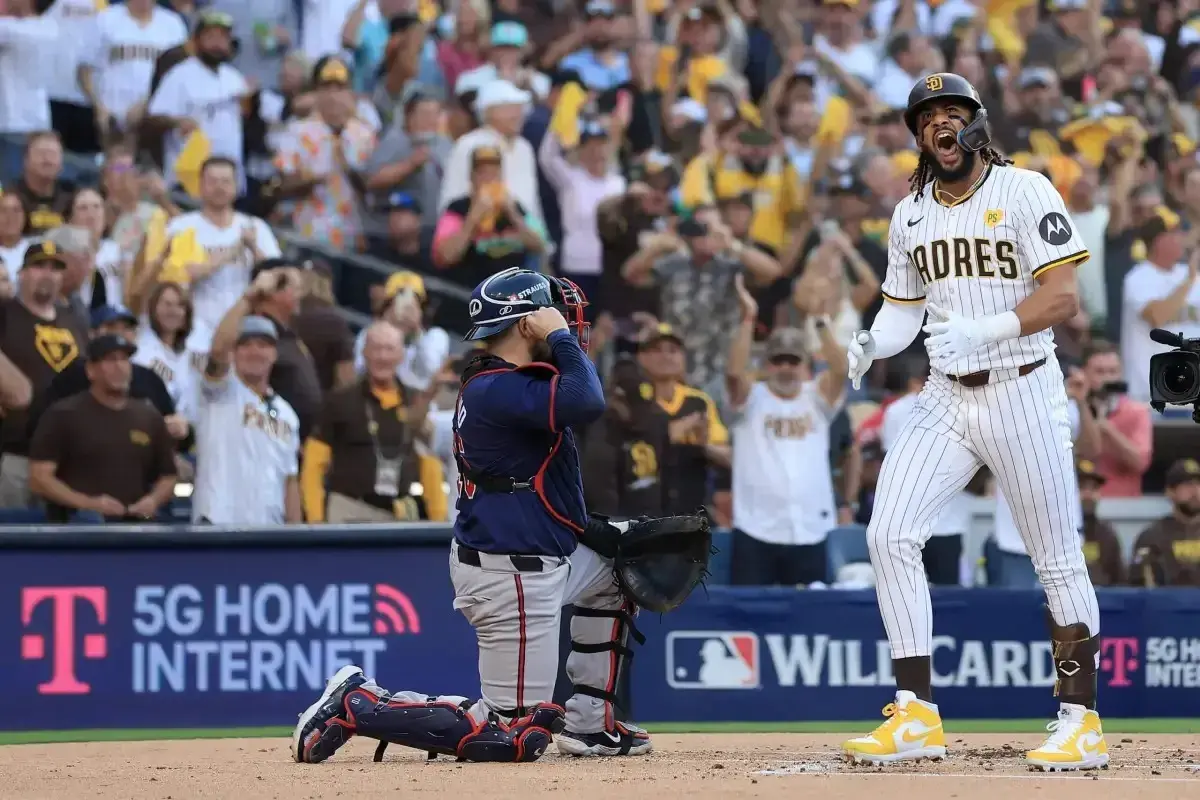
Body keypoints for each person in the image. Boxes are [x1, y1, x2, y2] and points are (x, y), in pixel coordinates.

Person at [292, 268, 668, 765]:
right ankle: (358, 702)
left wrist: (595, 532)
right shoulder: (496, 387)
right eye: (551, 315)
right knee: (512, 735)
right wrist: (556, 335)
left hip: (539, 555)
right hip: (510, 573)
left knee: (618, 574)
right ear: (524, 324)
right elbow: (587, 398)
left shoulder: (505, 382)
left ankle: (590, 727)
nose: (568, 324)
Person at [843, 74, 1107, 770]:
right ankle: (916, 714)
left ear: (977, 123)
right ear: (917, 134)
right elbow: (904, 310)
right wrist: (872, 339)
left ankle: (1080, 719)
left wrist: (987, 329)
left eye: (953, 113)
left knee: (1054, 557)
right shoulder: (911, 214)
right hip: (946, 395)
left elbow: (1064, 298)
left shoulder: (1025, 190)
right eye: (929, 117)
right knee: (889, 533)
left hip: (1022, 384)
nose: (942, 125)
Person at [726, 278, 847, 587]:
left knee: (810, 623)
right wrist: (748, 319)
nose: (786, 367)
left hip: (808, 527)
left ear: (804, 365)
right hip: (756, 529)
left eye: (793, 360)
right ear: (767, 365)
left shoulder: (816, 399)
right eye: (778, 360)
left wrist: (821, 323)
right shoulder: (751, 398)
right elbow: (734, 373)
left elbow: (841, 370)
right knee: (752, 619)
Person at [301, 322, 447, 523]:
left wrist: (440, 521)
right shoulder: (340, 400)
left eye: (389, 349)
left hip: (398, 515)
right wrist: (315, 520)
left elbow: (429, 465)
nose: (383, 357)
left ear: (401, 355)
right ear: (364, 353)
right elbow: (314, 464)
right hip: (349, 511)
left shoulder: (414, 402)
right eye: (376, 348)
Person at [29, 333, 177, 522]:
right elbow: (39, 478)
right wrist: (87, 503)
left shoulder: (149, 416)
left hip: (135, 531)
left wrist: (152, 501)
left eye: (124, 359)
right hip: (78, 530)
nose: (119, 367)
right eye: (110, 360)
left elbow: (168, 476)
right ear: (90, 370)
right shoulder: (63, 415)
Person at [191, 281, 302, 525]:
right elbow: (218, 348)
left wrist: (297, 535)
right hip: (217, 522)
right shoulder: (220, 390)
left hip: (268, 529)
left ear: (274, 353)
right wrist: (248, 298)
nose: (255, 352)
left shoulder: (287, 414)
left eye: (263, 345)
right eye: (246, 345)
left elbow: (289, 481)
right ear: (234, 352)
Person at [0, 242, 89, 507]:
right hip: (16, 451)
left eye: (55, 268)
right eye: (39, 266)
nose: (47, 274)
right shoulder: (4, 313)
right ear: (22, 273)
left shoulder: (75, 321)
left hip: (68, 459)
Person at [1128, 458, 1200, 588]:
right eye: (1188, 485)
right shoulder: (1152, 537)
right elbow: (1140, 588)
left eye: (1198, 484)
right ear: (1170, 492)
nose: (1196, 491)